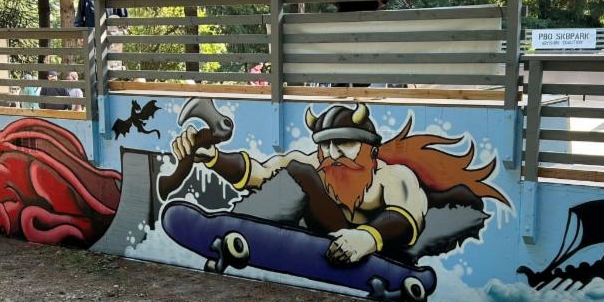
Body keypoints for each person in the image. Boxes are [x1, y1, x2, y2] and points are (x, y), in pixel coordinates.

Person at [171, 102, 505, 265]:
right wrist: (212, 157)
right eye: (326, 145)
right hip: (327, 229)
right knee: (298, 172)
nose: (332, 154)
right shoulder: (314, 164)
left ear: (370, 147)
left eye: (343, 144)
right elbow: (259, 174)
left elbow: (406, 218)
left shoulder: (393, 177)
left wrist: (368, 237)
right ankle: (241, 226)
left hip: (379, 245)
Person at [73, 0, 129, 71]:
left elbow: (124, 23)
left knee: (111, 73)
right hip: (92, 41)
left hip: (111, 44)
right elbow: (79, 20)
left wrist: (120, 37)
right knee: (94, 73)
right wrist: (80, 35)